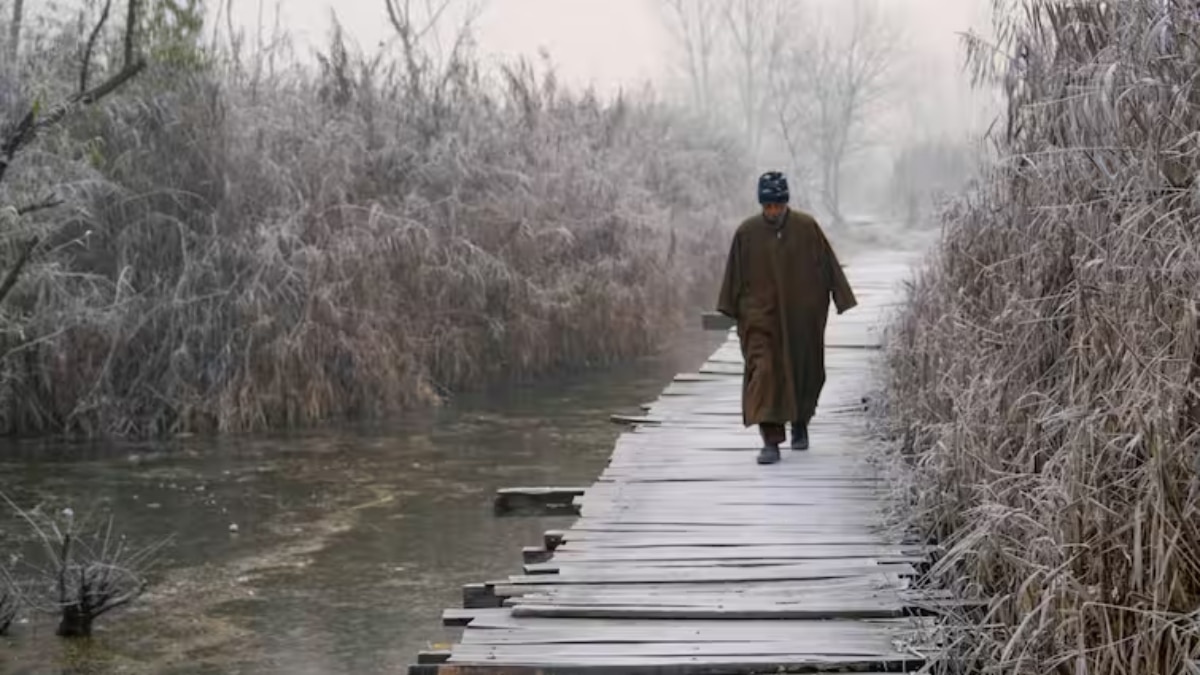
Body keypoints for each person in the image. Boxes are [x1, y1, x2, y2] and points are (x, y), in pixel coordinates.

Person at [716, 172, 857, 465]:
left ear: (786, 203)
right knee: (763, 371)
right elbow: (734, 274)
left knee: (804, 371)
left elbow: (829, 264)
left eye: (778, 205)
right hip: (760, 319)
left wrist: (841, 297)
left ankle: (800, 422)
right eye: (768, 206)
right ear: (761, 205)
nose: (773, 211)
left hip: (801, 316)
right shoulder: (747, 233)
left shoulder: (806, 228)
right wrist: (729, 307)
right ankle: (770, 440)